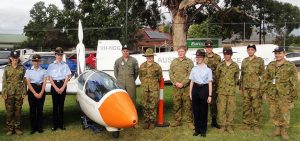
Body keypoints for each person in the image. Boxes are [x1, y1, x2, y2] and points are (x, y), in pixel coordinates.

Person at [262, 47, 298, 140]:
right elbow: (265, 79)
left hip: (285, 94)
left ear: (284, 53)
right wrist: (264, 92)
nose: (277, 55)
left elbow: (294, 82)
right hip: (272, 93)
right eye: (276, 53)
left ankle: (284, 131)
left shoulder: (290, 65)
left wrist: (293, 96)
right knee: (274, 112)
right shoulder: (271, 65)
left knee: (284, 113)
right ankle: (277, 129)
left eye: (279, 53)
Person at [239, 44, 264, 133]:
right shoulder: (244, 61)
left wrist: (262, 89)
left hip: (256, 88)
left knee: (256, 106)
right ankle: (246, 124)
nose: (250, 51)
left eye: (252, 49)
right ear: (247, 51)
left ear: (255, 51)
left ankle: (256, 125)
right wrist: (240, 87)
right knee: (246, 106)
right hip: (246, 88)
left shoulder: (259, 60)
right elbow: (242, 74)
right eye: (249, 49)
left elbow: (262, 74)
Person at [2, 50, 26, 135]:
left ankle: (17, 128)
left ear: (18, 58)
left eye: (16, 57)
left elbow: (24, 80)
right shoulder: (7, 68)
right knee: (9, 111)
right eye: (13, 57)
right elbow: (4, 81)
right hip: (9, 92)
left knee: (18, 111)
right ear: (10, 58)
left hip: (19, 92)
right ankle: (10, 128)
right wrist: (4, 93)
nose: (15, 59)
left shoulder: (22, 68)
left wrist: (24, 91)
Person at [215, 46, 239, 133]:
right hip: (221, 91)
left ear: (231, 55)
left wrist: (231, 85)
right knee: (221, 109)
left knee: (231, 109)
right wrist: (222, 85)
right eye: (225, 54)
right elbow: (217, 77)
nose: (226, 56)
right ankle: (223, 125)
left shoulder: (235, 66)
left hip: (231, 91)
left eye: (228, 54)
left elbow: (236, 77)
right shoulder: (220, 65)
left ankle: (229, 126)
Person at [169, 46, 194, 128]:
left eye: (182, 51)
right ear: (177, 52)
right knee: (177, 104)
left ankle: (189, 122)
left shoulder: (189, 62)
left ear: (185, 52)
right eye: (179, 51)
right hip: (176, 87)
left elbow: (190, 74)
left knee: (188, 105)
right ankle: (177, 120)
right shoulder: (174, 62)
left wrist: (183, 83)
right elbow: (170, 73)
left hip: (186, 87)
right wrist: (175, 82)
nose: (180, 53)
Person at [189, 49, 212, 137]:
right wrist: (190, 92)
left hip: (204, 89)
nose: (198, 59)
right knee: (196, 110)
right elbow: (192, 81)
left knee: (203, 110)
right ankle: (197, 129)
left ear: (203, 58)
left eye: (200, 57)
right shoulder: (194, 69)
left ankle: (203, 130)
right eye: (197, 57)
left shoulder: (208, 70)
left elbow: (210, 82)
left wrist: (210, 95)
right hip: (195, 89)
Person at [47, 47, 71, 131]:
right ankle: (55, 125)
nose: (59, 56)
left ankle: (61, 124)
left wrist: (63, 87)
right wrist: (56, 88)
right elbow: (49, 78)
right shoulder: (51, 65)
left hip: (62, 84)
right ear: (55, 55)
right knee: (55, 106)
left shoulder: (65, 65)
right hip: (54, 85)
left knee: (61, 106)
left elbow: (67, 77)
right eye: (58, 55)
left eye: (61, 55)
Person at [139, 48, 162, 129]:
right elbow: (140, 76)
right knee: (145, 105)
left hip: (154, 89)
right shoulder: (142, 65)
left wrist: (153, 84)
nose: (149, 58)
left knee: (153, 105)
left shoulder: (157, 66)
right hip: (144, 89)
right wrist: (145, 83)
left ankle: (152, 122)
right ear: (146, 57)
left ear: (153, 56)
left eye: (150, 56)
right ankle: (146, 121)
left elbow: (160, 77)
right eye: (147, 56)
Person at [24, 54, 47, 134]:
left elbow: (44, 82)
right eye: (34, 61)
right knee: (32, 110)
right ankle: (33, 128)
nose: (36, 63)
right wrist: (34, 93)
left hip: (41, 89)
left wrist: (41, 92)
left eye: (37, 61)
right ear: (32, 61)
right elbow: (28, 83)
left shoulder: (44, 70)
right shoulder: (28, 70)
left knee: (40, 110)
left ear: (40, 61)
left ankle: (40, 127)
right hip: (32, 90)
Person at [203, 40, 221, 129]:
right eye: (207, 47)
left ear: (212, 48)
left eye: (210, 47)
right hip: (203, 84)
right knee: (203, 103)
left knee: (213, 103)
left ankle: (214, 121)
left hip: (214, 84)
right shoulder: (201, 57)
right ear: (205, 48)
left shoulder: (217, 57)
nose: (208, 48)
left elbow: (219, 71)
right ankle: (203, 121)